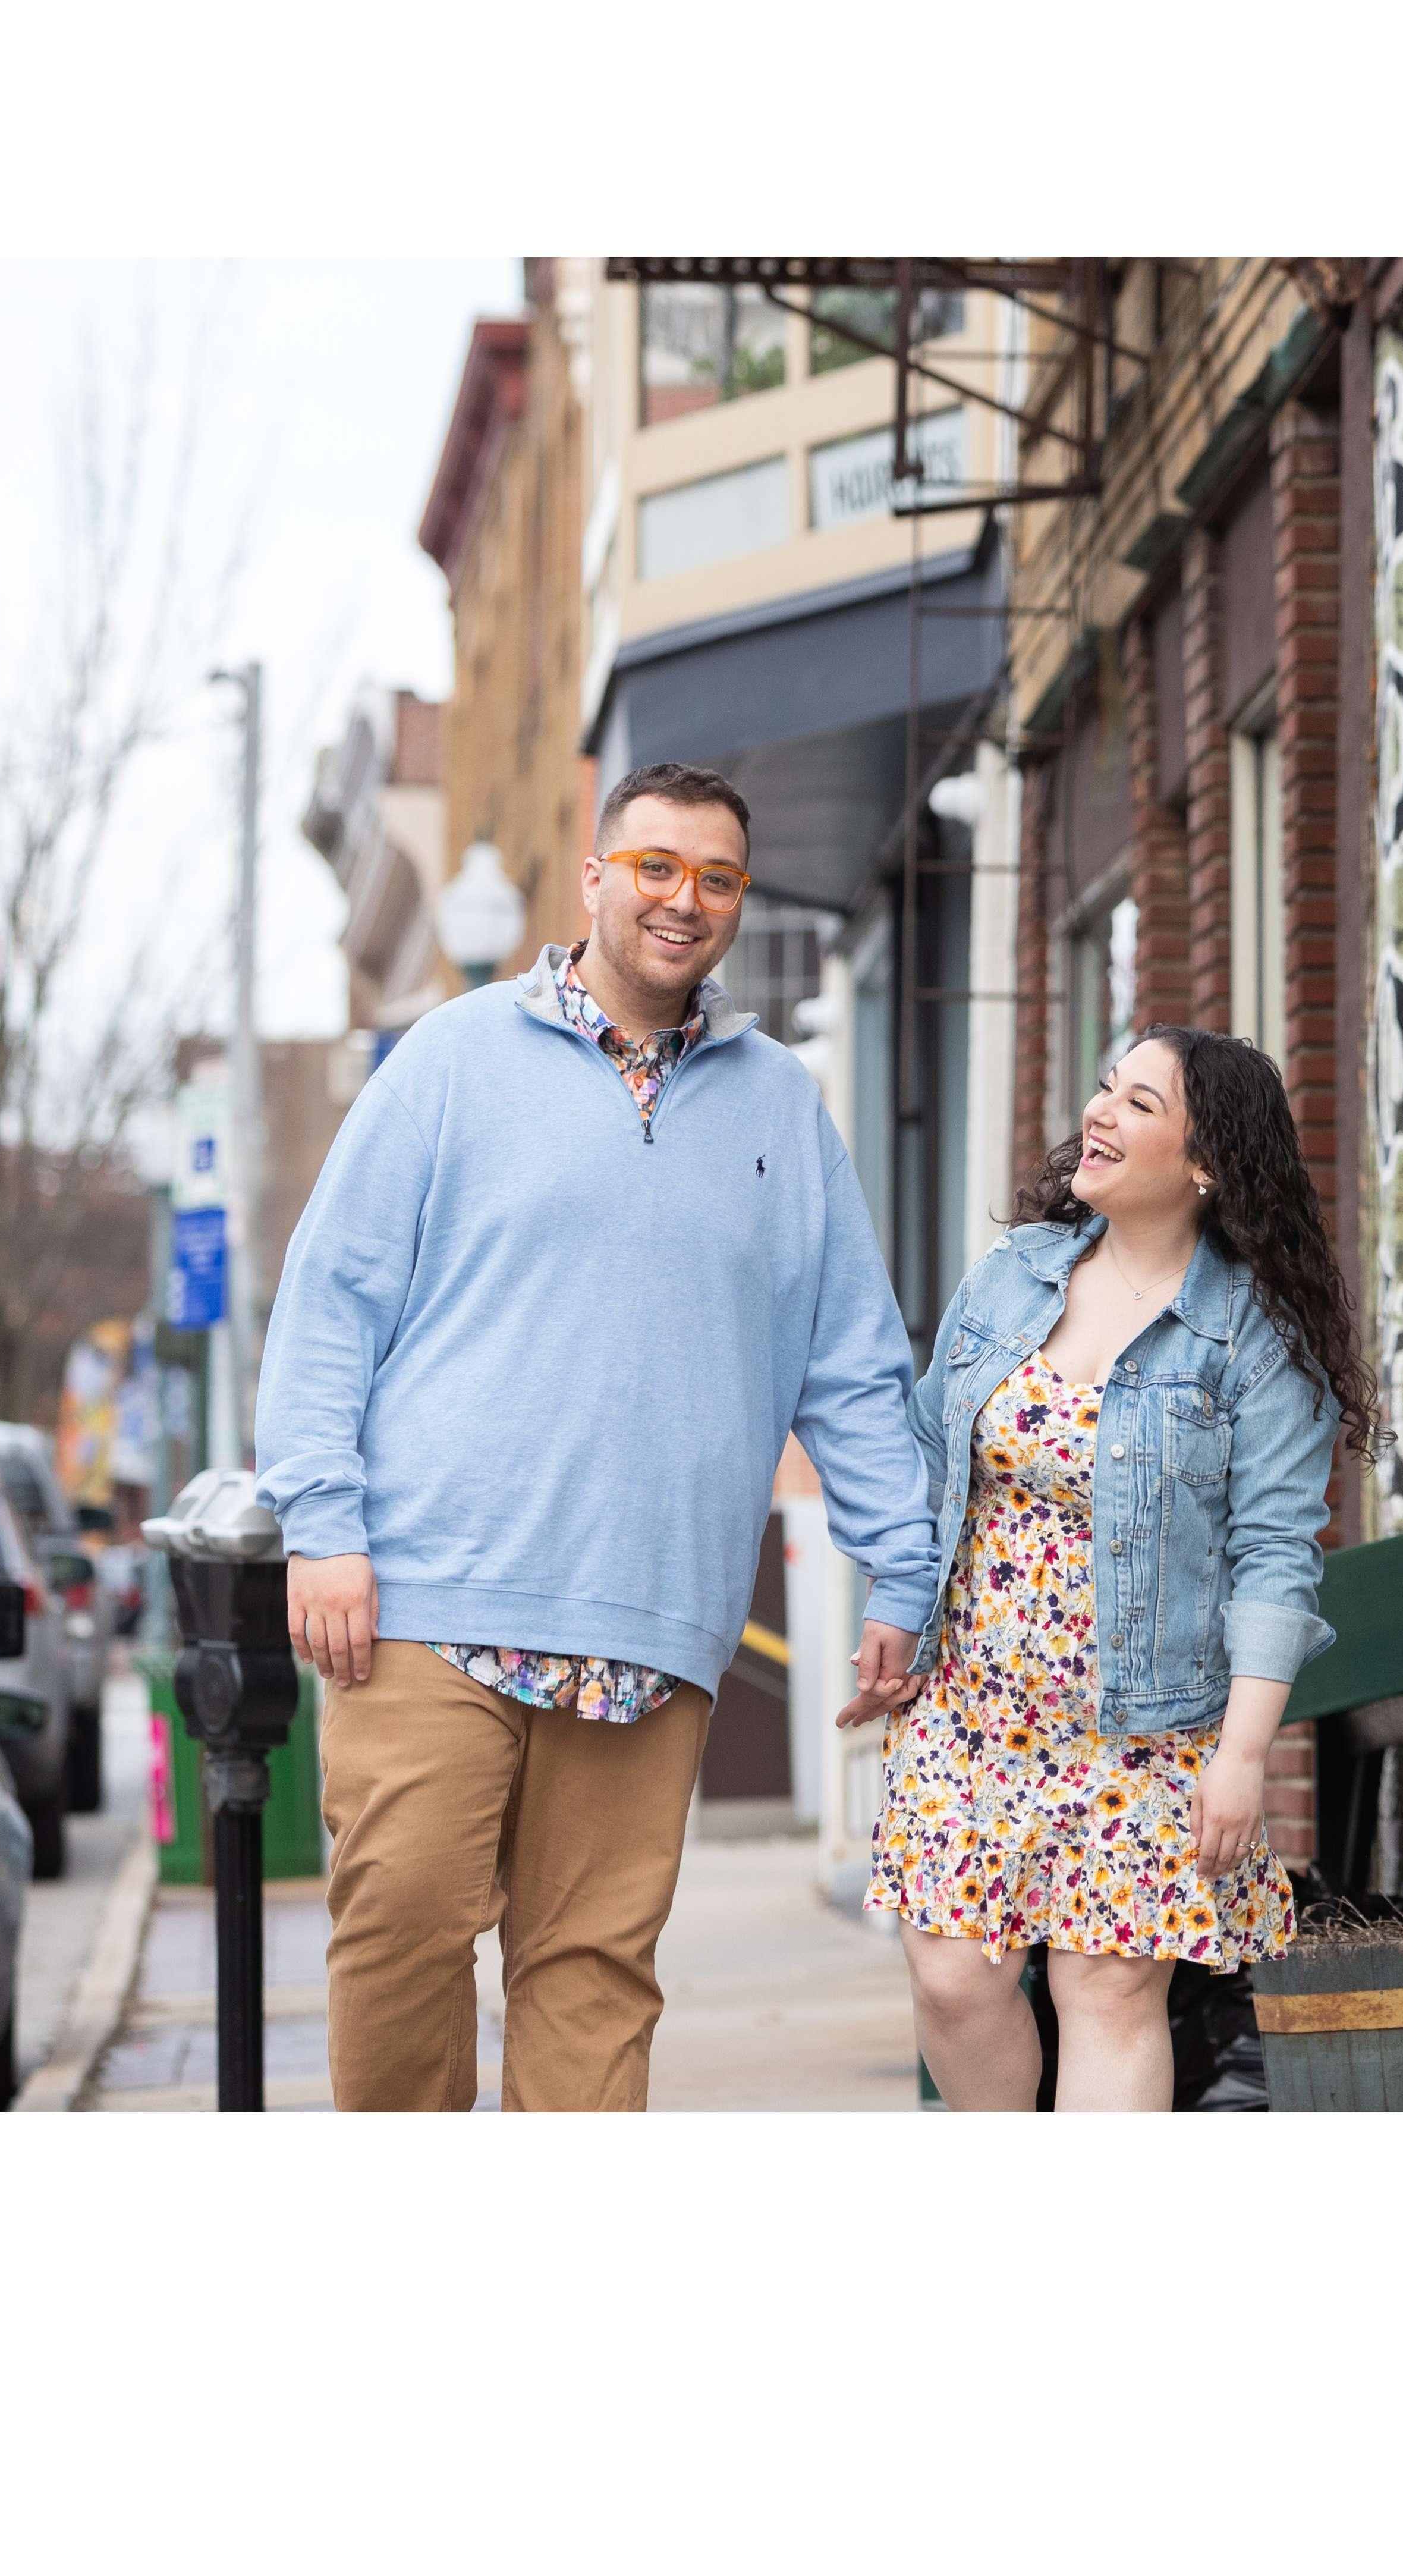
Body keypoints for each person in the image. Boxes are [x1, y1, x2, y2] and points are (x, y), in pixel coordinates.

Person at [254, 760, 935, 2112]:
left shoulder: (782, 1107)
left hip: (650, 1624)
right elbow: (330, 1302)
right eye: (657, 869)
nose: (686, 902)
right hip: (427, 1603)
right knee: (398, 1937)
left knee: (593, 1981)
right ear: (595, 877)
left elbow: (851, 1365)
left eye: (718, 878)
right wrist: (322, 1527)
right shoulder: (452, 1061)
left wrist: (904, 1568)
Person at [851, 1023, 1385, 2112]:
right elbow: (926, 1450)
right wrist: (899, 1608)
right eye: (1106, 1089)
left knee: (1104, 1989)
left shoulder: (1252, 1338)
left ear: (1205, 1164)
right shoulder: (1014, 1277)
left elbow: (1276, 1556)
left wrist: (1242, 1756)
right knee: (952, 1975)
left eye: (1140, 1104)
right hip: (974, 1701)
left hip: (1146, 1721)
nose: (1099, 1112)